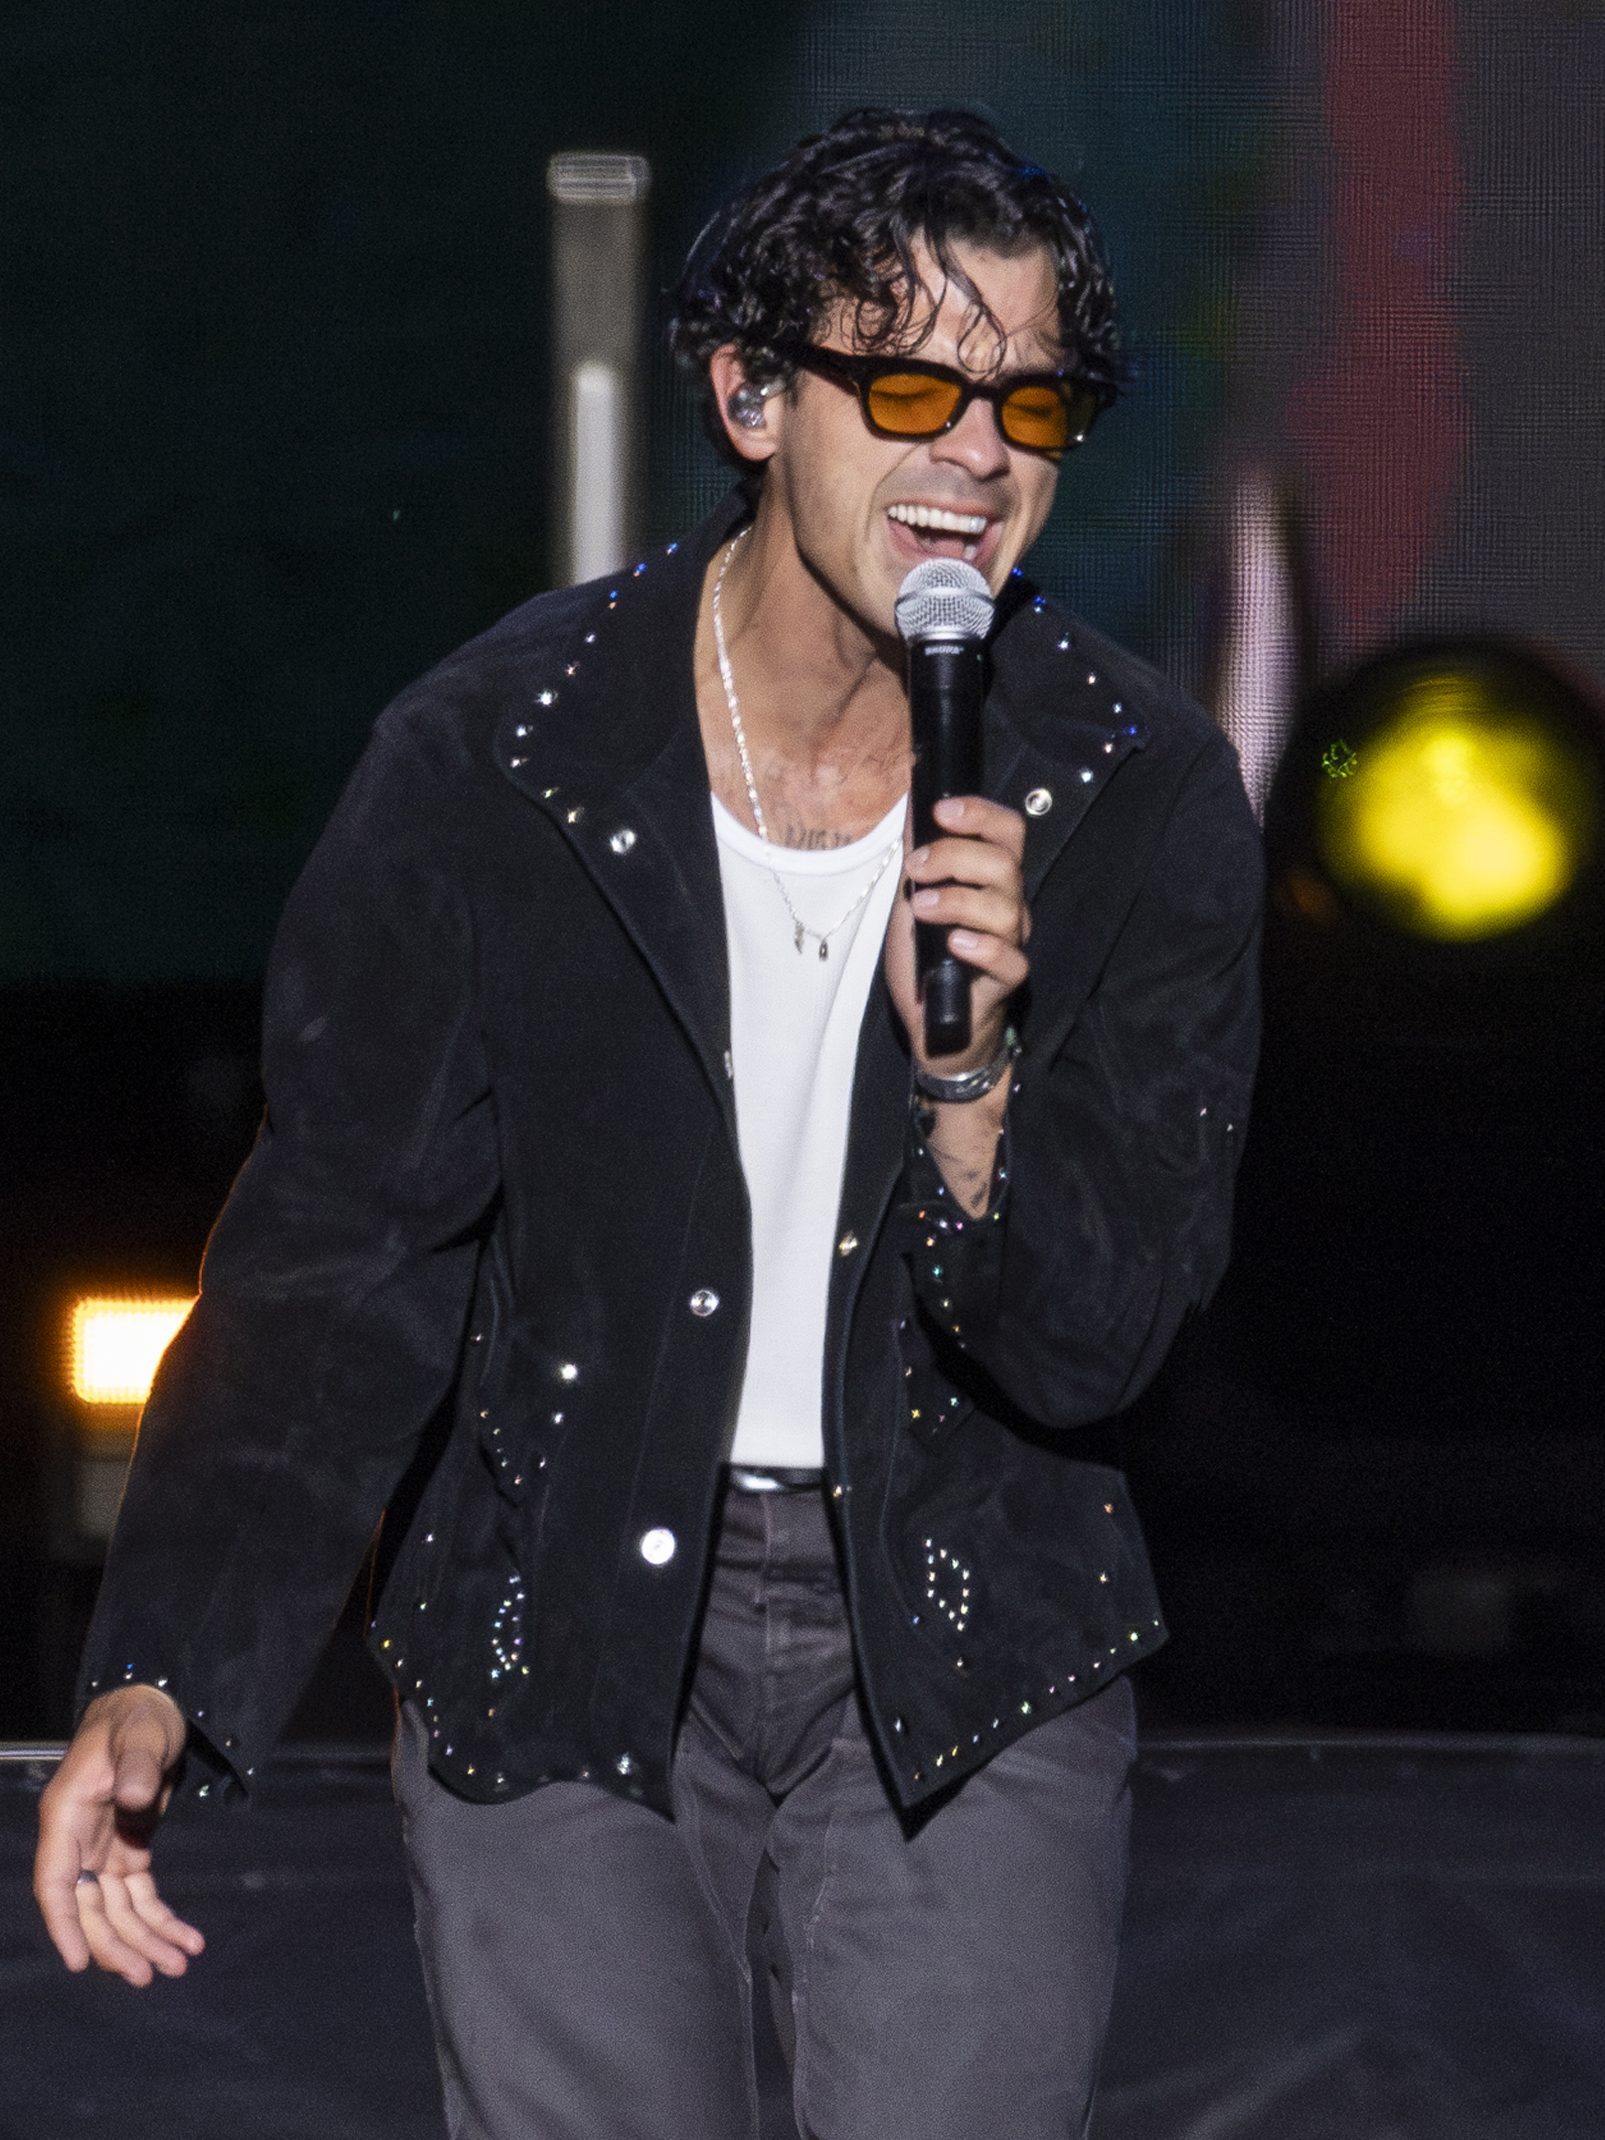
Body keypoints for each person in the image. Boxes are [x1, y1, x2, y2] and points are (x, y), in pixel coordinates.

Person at [35, 106, 1261, 2140]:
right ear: (749, 395)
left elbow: (1102, 1334)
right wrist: (165, 1661)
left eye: (1027, 407)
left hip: (962, 1644)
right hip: (566, 1616)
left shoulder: (1128, 792)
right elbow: (339, 1247)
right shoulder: (493, 757)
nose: (975, 453)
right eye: (906, 386)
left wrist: (969, 1087)